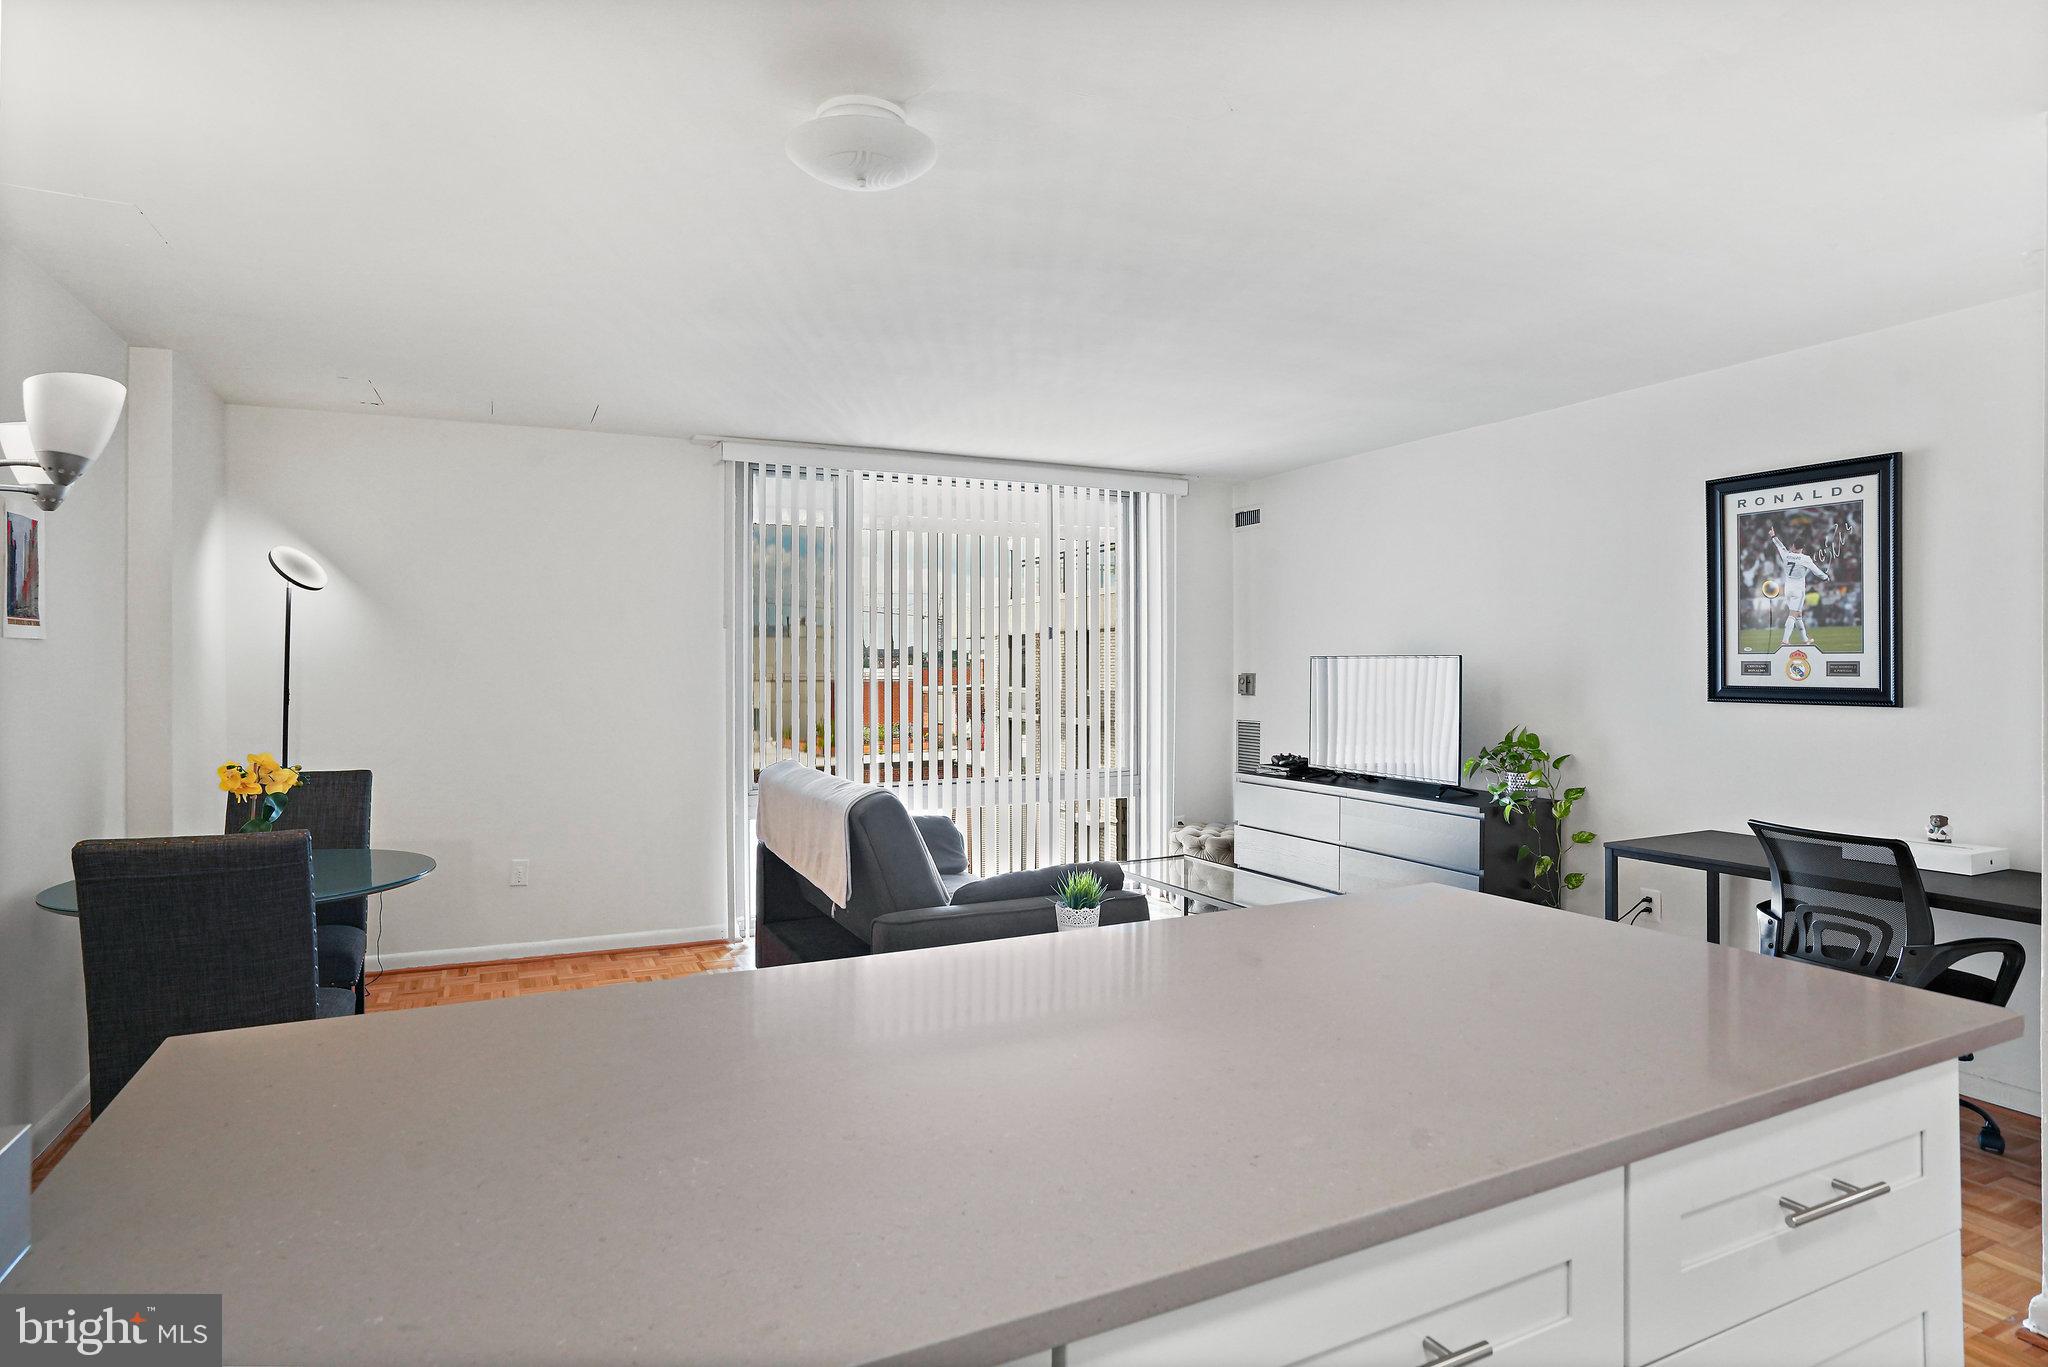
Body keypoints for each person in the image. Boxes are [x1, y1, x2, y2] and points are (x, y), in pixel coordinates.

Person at [1770, 530, 1829, 648]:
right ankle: (1785, 641)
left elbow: (1779, 545)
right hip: (1798, 590)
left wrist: (1773, 536)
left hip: (1788, 589)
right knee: (1793, 614)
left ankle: (1805, 640)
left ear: (1793, 545)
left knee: (1798, 615)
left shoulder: (1786, 554)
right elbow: (1817, 572)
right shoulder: (1805, 559)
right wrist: (1826, 577)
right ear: (1803, 547)